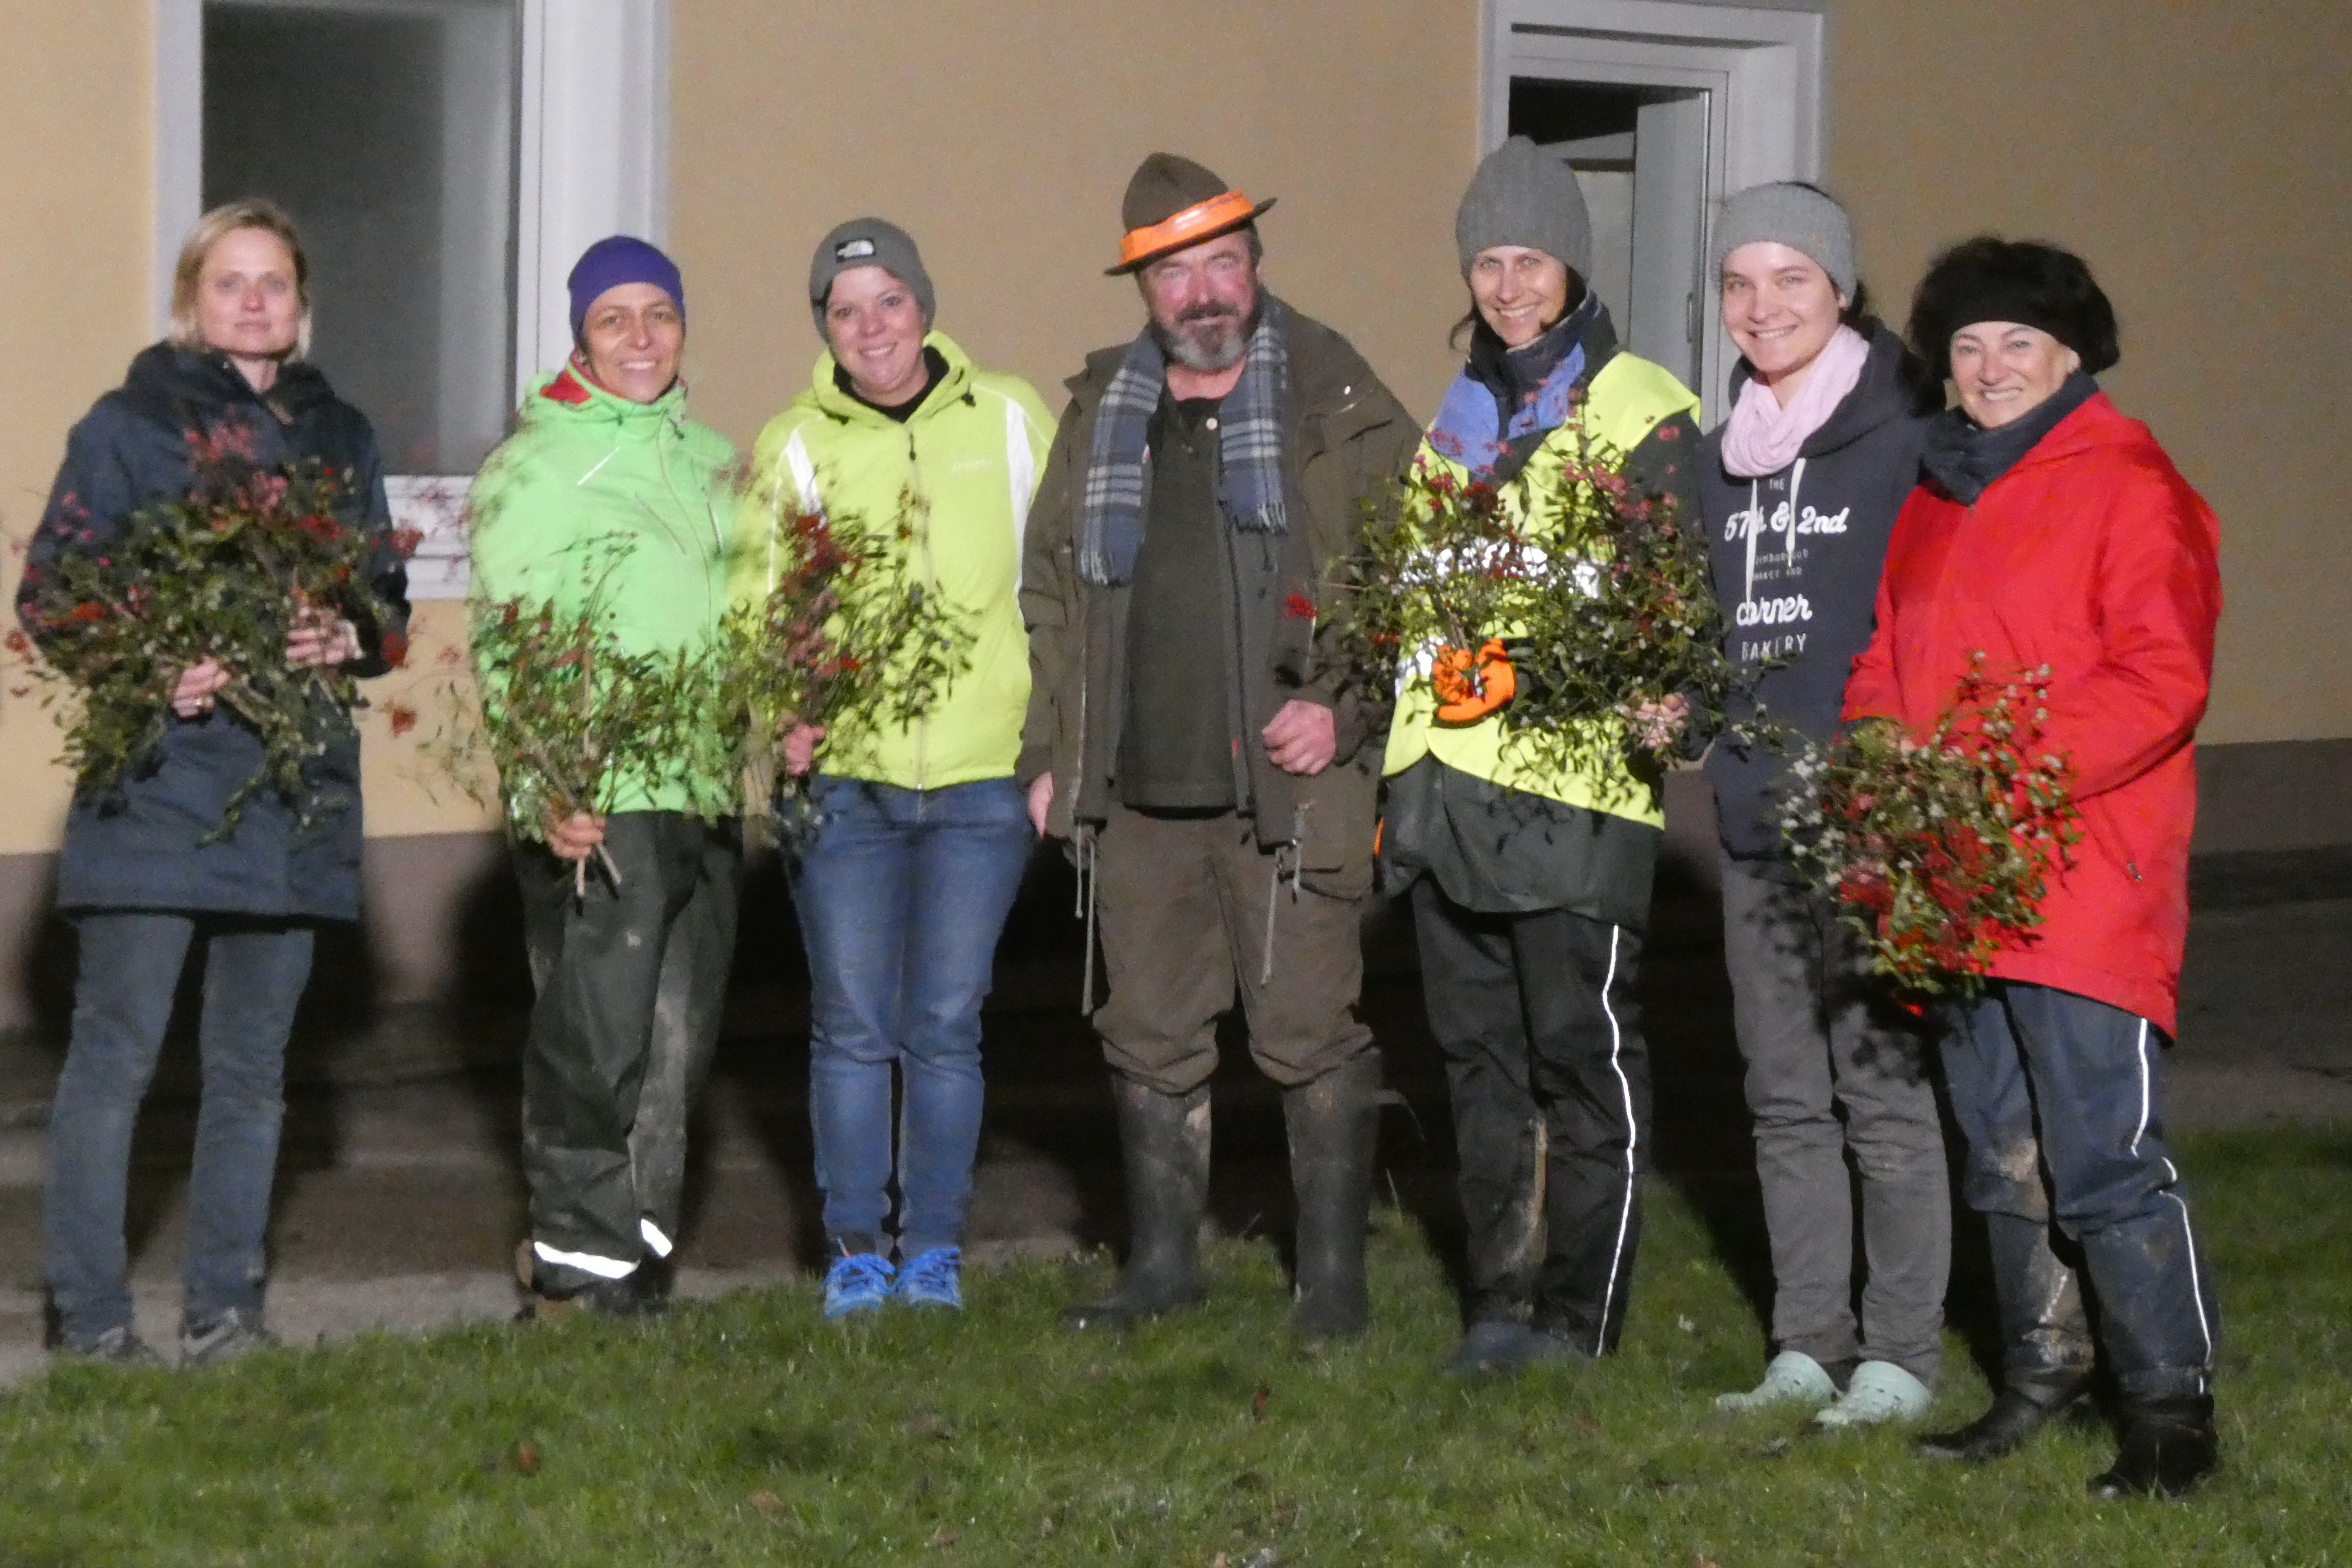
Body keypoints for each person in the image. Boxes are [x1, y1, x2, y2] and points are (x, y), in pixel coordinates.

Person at [1845, 237, 2223, 1497]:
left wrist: (1986, 772)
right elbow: (1886, 657)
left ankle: (2167, 1408)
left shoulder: (2129, 485)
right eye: (1967, 345)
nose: (1990, 366)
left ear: (2069, 355)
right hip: (1957, 883)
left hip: (2080, 878)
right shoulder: (1939, 494)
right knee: (2000, 1152)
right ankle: (2041, 1375)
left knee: (2101, 1157)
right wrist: (1877, 771)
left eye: (2016, 342)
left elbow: (2158, 683)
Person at [1020, 154, 1416, 1341]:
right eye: (1174, 274)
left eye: (1221, 264)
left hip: (1288, 792)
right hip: (1135, 788)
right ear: (1143, 289)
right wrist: (1049, 751)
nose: (1202, 294)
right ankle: (1160, 1271)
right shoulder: (1101, 412)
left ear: (1256, 266)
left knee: (1308, 1032)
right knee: (1145, 1033)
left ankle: (1330, 1287)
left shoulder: (1336, 401)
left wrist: (1341, 706)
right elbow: (1050, 594)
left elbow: (1408, 580)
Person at [23, 200, 409, 1365]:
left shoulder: (339, 434)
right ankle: (91, 1320)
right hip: (160, 784)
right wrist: (148, 663)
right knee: (116, 1062)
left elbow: (385, 604)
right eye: (228, 281)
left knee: (251, 1073)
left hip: (289, 792)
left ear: (302, 303)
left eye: (273, 283)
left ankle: (225, 1313)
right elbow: (54, 592)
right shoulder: (130, 425)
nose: (252, 301)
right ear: (191, 300)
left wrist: (349, 635)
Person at [1377, 137, 1702, 1376]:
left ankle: (1578, 1316)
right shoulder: (1452, 425)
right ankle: (1498, 1304)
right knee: (1477, 1066)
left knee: (1579, 1061)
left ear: (1572, 264)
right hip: (1450, 794)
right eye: (1487, 262)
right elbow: (1420, 614)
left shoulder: (1640, 410)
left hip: (1574, 796)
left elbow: (1671, 608)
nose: (1508, 286)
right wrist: (1402, 779)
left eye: (1530, 260)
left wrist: (1614, 687)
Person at [732, 219, 1054, 1318]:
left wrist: (1053, 749)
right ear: (823, 328)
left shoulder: (1008, 417)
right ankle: (856, 1249)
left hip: (983, 779)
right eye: (844, 310)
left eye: (888, 301)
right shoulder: (794, 445)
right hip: (848, 787)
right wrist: (783, 712)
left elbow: (1063, 589)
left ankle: (935, 1252)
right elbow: (757, 610)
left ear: (923, 305)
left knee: (946, 1026)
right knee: (853, 1027)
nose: (870, 328)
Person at [1695, 184, 1950, 1426]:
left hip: (1866, 821)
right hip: (1755, 823)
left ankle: (1899, 1354)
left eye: (1790, 279)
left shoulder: (1905, 435)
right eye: (1738, 284)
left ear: (1840, 289)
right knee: (1783, 1097)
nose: (1762, 307)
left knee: (1881, 1095)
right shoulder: (1720, 458)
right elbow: (1716, 632)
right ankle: (1807, 1342)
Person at [468, 236, 743, 1319]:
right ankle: (573, 1275)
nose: (640, 337)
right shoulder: (537, 465)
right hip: (601, 800)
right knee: (596, 1045)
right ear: (580, 337)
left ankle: (634, 1272)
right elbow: (513, 643)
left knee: (677, 1051)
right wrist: (547, 788)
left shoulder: (713, 462)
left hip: (703, 794)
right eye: (612, 318)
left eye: (658, 314)